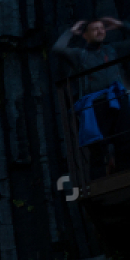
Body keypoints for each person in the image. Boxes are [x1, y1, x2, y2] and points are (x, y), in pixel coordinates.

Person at [53, 17, 130, 178]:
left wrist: (122, 25)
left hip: (118, 100)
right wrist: (72, 32)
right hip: (96, 105)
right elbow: (59, 48)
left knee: (124, 141)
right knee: (97, 148)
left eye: (102, 28)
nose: (100, 31)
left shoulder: (112, 50)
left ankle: (124, 174)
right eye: (95, 29)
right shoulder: (80, 55)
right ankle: (99, 181)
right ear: (85, 35)